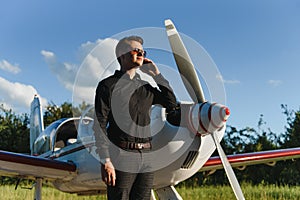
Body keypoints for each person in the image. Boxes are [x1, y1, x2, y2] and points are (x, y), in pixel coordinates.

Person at [94, 35, 179, 200]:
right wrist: (105, 160)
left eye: (142, 51)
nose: (141, 54)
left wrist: (156, 75)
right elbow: (100, 123)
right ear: (122, 55)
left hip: (147, 155)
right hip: (121, 155)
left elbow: (171, 102)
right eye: (135, 50)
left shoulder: (146, 88)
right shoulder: (107, 85)